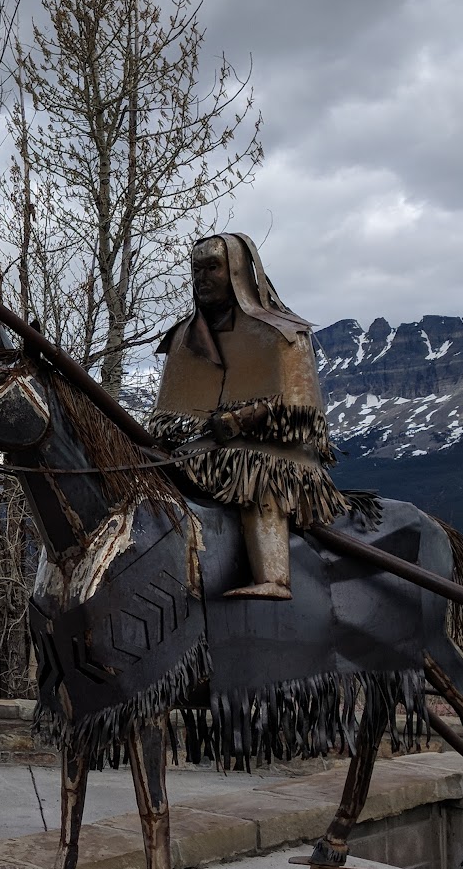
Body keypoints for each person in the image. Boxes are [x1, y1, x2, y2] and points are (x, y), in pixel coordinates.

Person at [148, 233, 345, 599]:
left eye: (213, 267)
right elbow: (166, 416)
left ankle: (274, 578)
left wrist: (240, 420)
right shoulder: (183, 339)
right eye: (197, 269)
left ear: (236, 271)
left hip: (277, 453)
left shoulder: (282, 332)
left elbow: (299, 407)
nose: (202, 277)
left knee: (254, 475)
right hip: (203, 451)